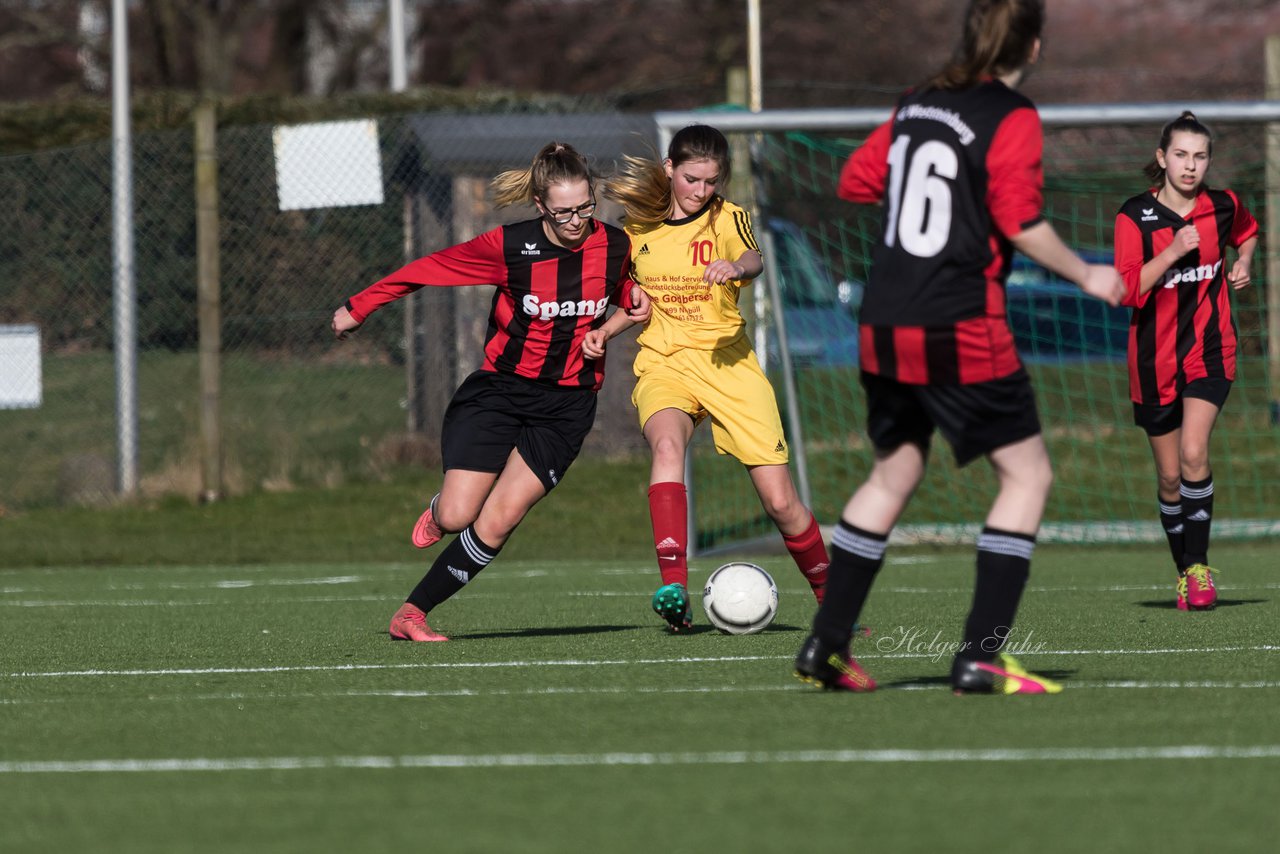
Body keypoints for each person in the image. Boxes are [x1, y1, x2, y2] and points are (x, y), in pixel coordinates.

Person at [794, 0, 1126, 694]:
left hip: (883, 319)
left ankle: (826, 645)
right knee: (1027, 476)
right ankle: (980, 654)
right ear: (1032, 47)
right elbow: (1020, 221)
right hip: (955, 322)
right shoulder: (1011, 115)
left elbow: (855, 179)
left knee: (894, 473)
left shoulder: (918, 101)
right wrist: (1088, 271)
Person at [331, 142, 649, 641]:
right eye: (563, 211)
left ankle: (411, 613)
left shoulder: (614, 245)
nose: (575, 220)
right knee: (460, 514)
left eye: (585, 207)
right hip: (500, 393)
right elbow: (428, 269)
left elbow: (630, 301)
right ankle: (440, 510)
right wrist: (361, 305)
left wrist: (616, 322)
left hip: (566, 407)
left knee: (499, 521)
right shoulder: (509, 247)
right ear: (541, 205)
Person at [604, 124, 831, 633]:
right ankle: (674, 589)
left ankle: (833, 604)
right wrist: (605, 330)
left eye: (711, 181)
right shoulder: (636, 227)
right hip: (665, 363)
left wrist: (735, 267)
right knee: (667, 449)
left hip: (730, 367)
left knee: (780, 502)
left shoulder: (728, 218)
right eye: (691, 179)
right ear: (669, 169)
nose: (701, 191)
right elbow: (631, 302)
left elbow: (753, 258)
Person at [1113, 111, 1258, 611]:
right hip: (1153, 363)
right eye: (1180, 154)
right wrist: (1173, 251)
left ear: (1209, 161)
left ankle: (1199, 570)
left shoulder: (1223, 205)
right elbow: (1129, 290)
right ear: (1162, 158)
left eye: (1200, 156)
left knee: (1196, 452)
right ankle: (1184, 569)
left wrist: (1244, 261)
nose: (1190, 165)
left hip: (1211, 350)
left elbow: (1249, 230)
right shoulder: (1134, 216)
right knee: (1171, 477)